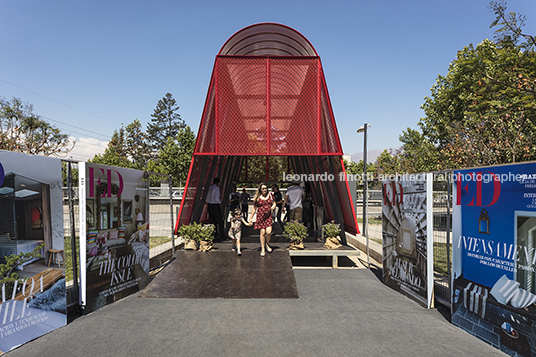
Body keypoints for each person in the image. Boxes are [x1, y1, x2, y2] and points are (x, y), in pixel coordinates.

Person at [249, 182, 276, 256]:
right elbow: (254, 209)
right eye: (263, 188)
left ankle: (266, 243)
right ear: (260, 189)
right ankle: (263, 248)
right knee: (262, 232)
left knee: (269, 232)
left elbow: (274, 202)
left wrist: (273, 207)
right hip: (261, 217)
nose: (265, 189)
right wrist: (251, 218)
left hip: (268, 216)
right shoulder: (257, 197)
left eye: (266, 188)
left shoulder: (270, 195)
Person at [206, 177, 225, 242]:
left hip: (209, 205)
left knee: (212, 221)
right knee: (220, 221)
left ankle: (214, 235)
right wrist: (220, 202)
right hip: (215, 205)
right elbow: (217, 198)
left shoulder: (210, 188)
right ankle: (222, 236)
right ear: (218, 183)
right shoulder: (216, 188)